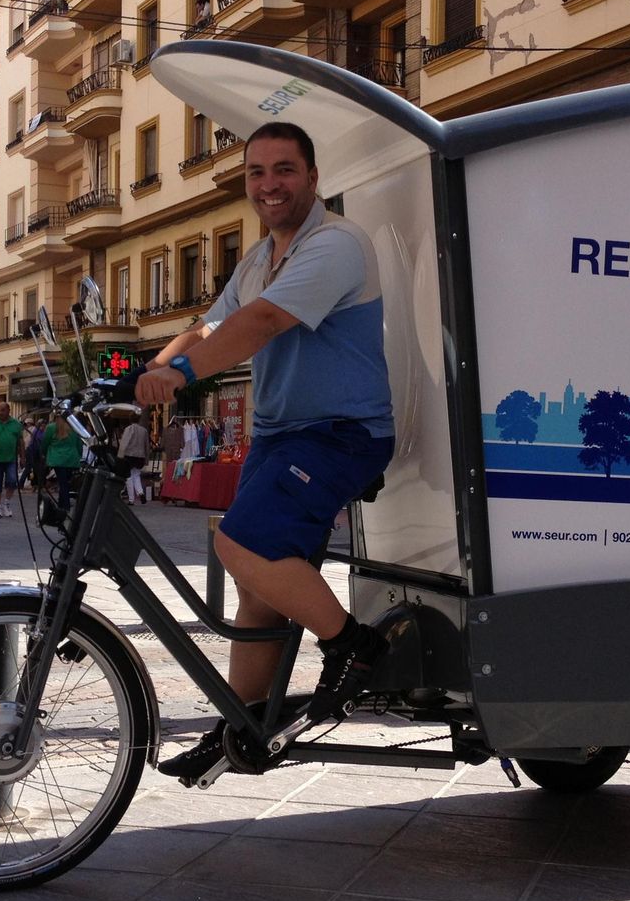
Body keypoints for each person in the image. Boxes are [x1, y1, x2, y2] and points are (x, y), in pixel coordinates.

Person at [135, 123, 394, 781]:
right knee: (259, 592)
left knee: (242, 542)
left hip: (340, 433)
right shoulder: (260, 257)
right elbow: (210, 324)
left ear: (311, 176)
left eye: (284, 170)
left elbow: (262, 323)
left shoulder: (334, 244)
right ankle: (242, 724)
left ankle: (355, 646)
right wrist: (142, 373)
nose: (269, 184)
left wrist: (184, 377)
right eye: (256, 172)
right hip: (283, 435)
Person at [43, 408, 83, 513]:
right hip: (72, 458)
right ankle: (62, 503)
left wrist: (43, 454)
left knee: (62, 482)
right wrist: (79, 456)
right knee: (65, 482)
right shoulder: (73, 428)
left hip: (57, 459)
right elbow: (79, 444)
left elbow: (45, 443)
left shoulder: (51, 427)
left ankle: (64, 505)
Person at [117, 416, 150, 504]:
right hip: (140, 456)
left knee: (129, 477)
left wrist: (120, 456)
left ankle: (131, 499)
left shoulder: (129, 429)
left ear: (130, 420)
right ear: (139, 420)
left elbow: (124, 443)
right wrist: (147, 458)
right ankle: (140, 492)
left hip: (129, 455)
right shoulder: (144, 430)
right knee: (136, 475)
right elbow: (147, 445)